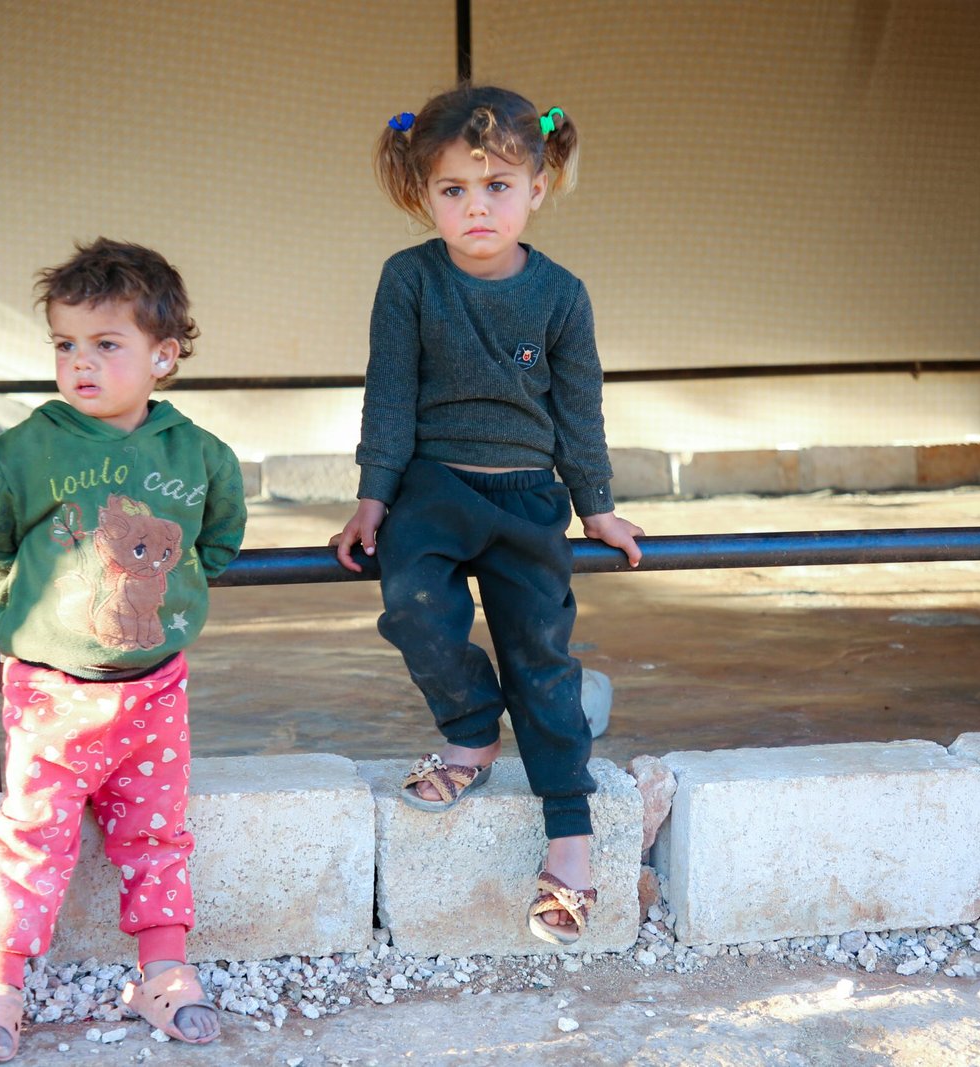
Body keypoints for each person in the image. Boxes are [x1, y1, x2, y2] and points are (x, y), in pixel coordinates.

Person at [330, 85, 643, 946]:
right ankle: (471, 736)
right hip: (432, 489)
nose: (477, 207)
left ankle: (571, 842)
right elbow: (389, 395)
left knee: (540, 658)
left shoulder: (562, 295)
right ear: (422, 194)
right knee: (416, 609)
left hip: (528, 498)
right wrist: (374, 496)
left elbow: (580, 411)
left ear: (538, 188)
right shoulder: (411, 279)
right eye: (454, 190)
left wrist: (600, 508)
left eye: (498, 185)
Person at [0, 238, 246, 1061]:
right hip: (51, 687)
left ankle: (164, 967)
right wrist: (20, 602)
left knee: (157, 830)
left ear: (164, 355)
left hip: (157, 685)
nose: (81, 363)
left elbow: (216, 541)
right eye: (65, 345)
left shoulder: (199, 455)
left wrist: (180, 597)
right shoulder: (24, 452)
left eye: (106, 345)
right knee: (33, 828)